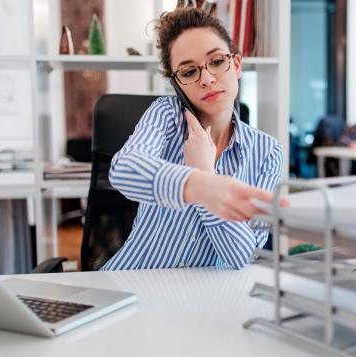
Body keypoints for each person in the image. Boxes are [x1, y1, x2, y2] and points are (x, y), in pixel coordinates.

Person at [100, 7, 284, 271]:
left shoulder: (268, 152)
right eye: (189, 72)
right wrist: (201, 185)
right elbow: (124, 169)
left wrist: (205, 172)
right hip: (133, 281)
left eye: (218, 61)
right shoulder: (166, 114)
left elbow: (243, 256)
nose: (208, 79)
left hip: (203, 297)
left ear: (237, 65)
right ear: (176, 84)